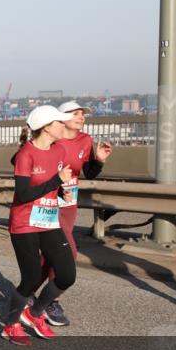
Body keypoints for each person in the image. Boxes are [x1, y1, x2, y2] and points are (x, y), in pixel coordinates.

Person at [2, 105, 77, 346]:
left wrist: (62, 191)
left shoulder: (59, 150)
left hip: (48, 219)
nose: (63, 126)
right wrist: (57, 180)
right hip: (25, 223)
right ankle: (11, 324)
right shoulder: (26, 154)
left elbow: (55, 182)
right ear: (46, 127)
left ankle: (33, 314)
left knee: (66, 275)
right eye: (59, 122)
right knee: (31, 277)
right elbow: (23, 194)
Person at [34, 101, 112, 326]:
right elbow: (29, 164)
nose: (82, 117)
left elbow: (88, 173)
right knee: (67, 252)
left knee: (51, 255)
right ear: (62, 117)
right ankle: (51, 302)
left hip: (69, 204)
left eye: (83, 114)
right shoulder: (51, 139)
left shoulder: (85, 140)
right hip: (49, 202)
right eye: (76, 114)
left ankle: (28, 290)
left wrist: (98, 160)